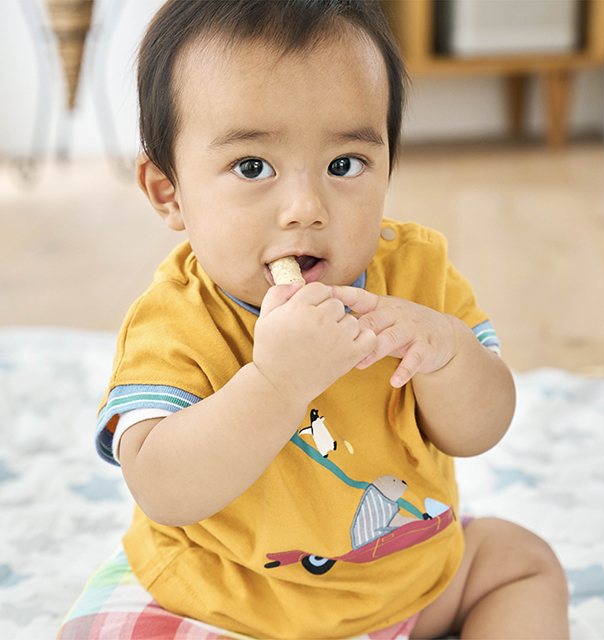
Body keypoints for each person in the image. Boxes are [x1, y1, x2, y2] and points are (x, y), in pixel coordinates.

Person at [59, 1, 570, 638]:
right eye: (252, 167)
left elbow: (481, 429)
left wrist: (450, 356)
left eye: (344, 165)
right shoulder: (176, 320)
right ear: (170, 192)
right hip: (224, 602)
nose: (306, 207)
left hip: (406, 578)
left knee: (523, 564)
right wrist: (277, 383)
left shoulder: (419, 276)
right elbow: (163, 487)